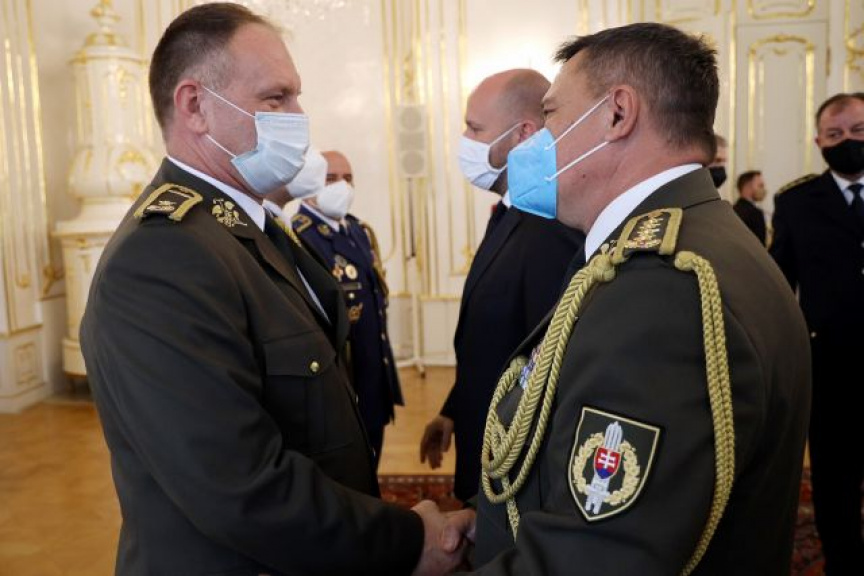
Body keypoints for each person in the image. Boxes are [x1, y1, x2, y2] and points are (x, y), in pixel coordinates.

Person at [78, 4, 472, 575]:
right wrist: (408, 541)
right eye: (275, 98)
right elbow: (241, 486)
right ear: (195, 107)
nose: (298, 117)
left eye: (296, 97)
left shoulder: (246, 226)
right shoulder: (162, 257)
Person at [468, 22, 811, 575]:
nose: (537, 142)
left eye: (551, 115)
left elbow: (598, 558)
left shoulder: (663, 289)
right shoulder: (686, 243)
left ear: (617, 114)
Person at [419, 69, 585, 503]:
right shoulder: (511, 215)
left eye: (475, 129)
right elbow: (495, 341)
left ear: (523, 134)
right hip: (483, 445)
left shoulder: (550, 229)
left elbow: (545, 369)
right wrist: (453, 410)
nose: (464, 140)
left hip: (513, 479)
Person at [771, 92, 864, 575]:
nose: (847, 141)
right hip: (830, 367)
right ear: (818, 142)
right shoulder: (796, 202)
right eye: (835, 134)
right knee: (835, 479)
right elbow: (777, 284)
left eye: (858, 131)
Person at [290, 148, 402, 470]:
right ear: (310, 182)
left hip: (371, 375)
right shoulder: (298, 236)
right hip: (339, 386)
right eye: (330, 179)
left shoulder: (358, 231)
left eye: (348, 178)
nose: (342, 186)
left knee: (371, 465)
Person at [733, 170, 767, 245]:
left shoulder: (731, 210)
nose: (764, 189)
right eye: (760, 186)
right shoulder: (755, 214)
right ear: (747, 187)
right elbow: (760, 246)